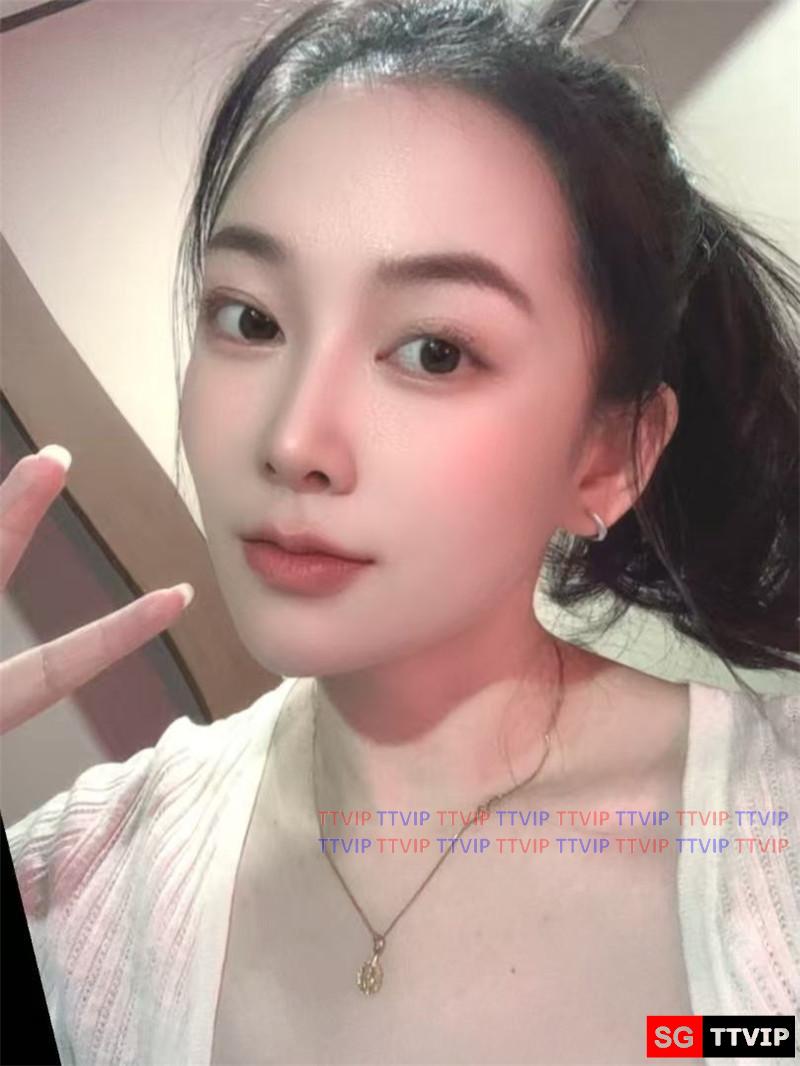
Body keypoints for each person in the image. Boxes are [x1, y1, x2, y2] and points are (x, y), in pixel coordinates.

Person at [3, 0, 798, 1063]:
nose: (293, 440)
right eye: (250, 318)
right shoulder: (72, 885)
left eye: (434, 351)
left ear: (609, 455)